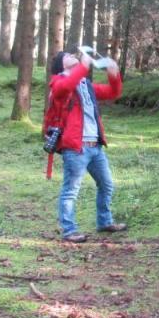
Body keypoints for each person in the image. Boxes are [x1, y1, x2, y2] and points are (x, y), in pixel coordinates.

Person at [45, 47, 127, 243]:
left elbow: (113, 92)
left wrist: (113, 74)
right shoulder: (58, 82)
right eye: (67, 56)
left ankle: (104, 221)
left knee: (106, 184)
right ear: (60, 65)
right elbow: (64, 88)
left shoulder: (85, 84)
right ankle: (69, 230)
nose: (72, 55)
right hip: (75, 147)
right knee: (71, 190)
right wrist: (83, 66)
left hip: (95, 146)